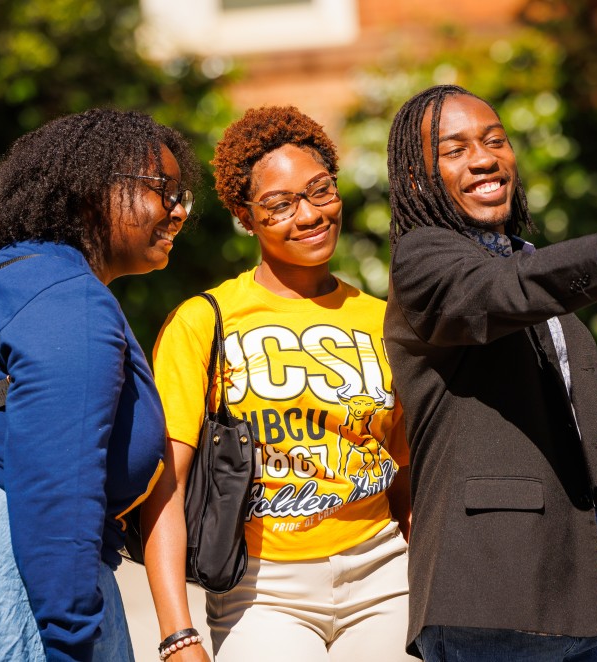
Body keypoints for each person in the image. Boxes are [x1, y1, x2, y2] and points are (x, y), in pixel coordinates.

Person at [383, 83, 597, 662]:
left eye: (494, 141)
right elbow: (498, 292)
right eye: (454, 149)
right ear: (416, 179)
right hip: (495, 603)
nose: (485, 158)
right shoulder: (423, 263)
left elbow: (550, 422)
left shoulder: (526, 263)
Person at [141, 105, 414, 662]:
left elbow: (406, 469)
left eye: (320, 191)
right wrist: (177, 634)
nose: (309, 215)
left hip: (387, 574)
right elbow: (166, 483)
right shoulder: (204, 320)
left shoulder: (384, 320)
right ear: (244, 215)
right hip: (262, 588)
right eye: (280, 204)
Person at [0, 108, 199, 661]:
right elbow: (58, 486)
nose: (180, 210)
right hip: (15, 596)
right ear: (96, 191)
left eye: (185, 195)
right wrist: (74, 643)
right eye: (164, 190)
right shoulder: (67, 297)